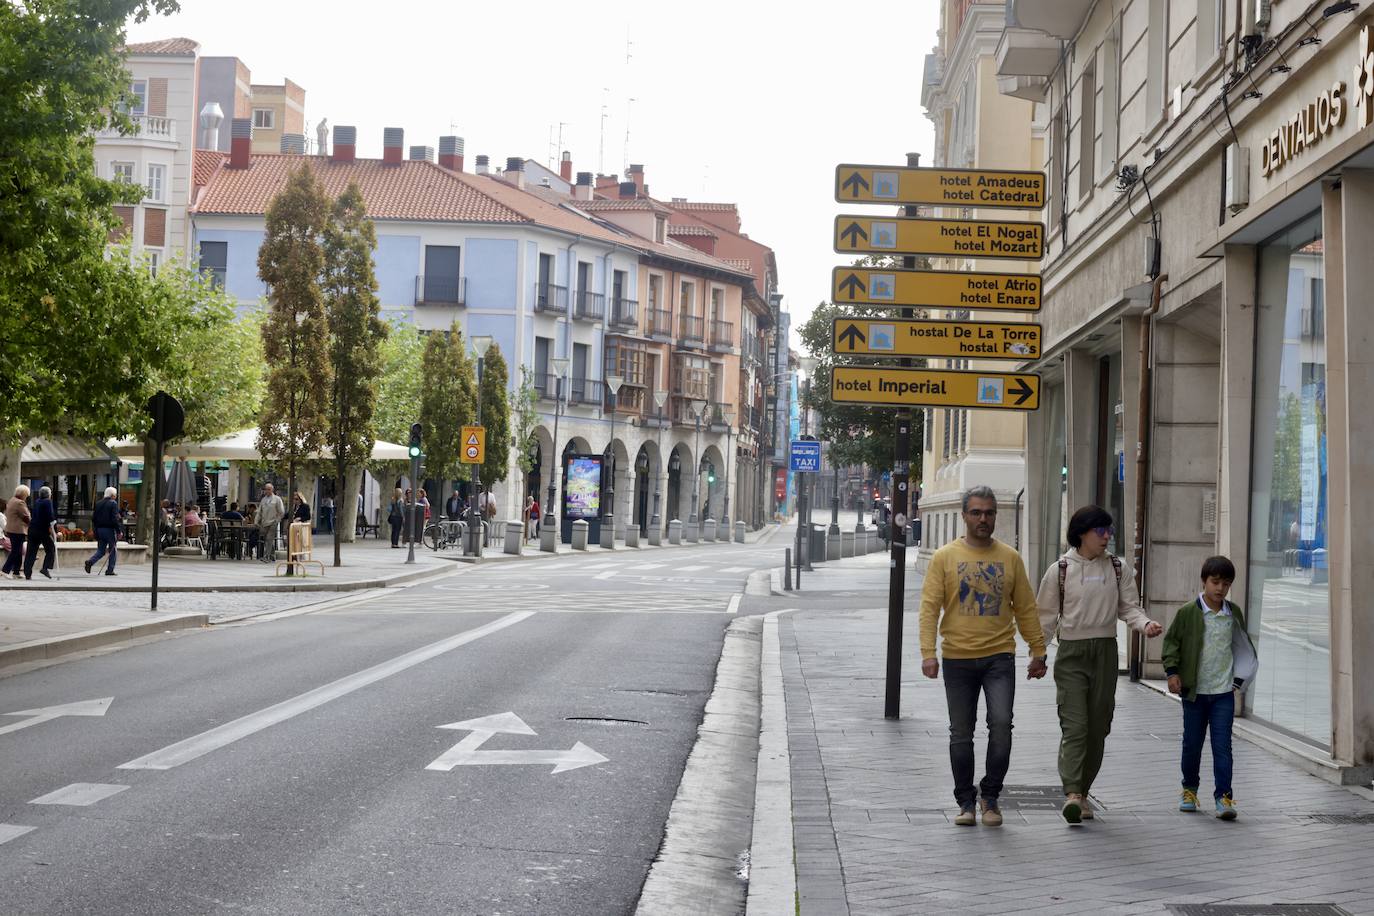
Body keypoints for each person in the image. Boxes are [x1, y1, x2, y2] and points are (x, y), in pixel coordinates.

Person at [918, 485, 1047, 827]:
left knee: (1002, 726)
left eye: (989, 512)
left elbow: (1026, 608)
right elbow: (929, 608)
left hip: (999, 657)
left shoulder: (1011, 558)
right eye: (976, 512)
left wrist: (1038, 650)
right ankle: (965, 803)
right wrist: (927, 653)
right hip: (957, 658)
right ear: (964, 516)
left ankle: (990, 797)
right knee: (961, 732)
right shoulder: (945, 557)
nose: (983, 519)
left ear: (995, 516)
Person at [1036, 505, 1164, 823]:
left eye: (1109, 531)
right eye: (1100, 531)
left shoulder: (1118, 568)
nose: (1107, 537)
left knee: (1098, 727)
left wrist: (1145, 624)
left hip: (1105, 652)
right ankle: (1073, 795)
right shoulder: (1060, 569)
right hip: (1072, 655)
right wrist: (1037, 654)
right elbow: (1046, 617)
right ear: (1082, 533)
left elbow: (1129, 608)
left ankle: (1083, 790)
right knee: (1076, 725)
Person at [1162, 555, 1258, 821]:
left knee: (1222, 746)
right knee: (1192, 744)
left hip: (1223, 694)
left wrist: (1237, 682)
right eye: (1215, 582)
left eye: (1226, 584)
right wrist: (1172, 673)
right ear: (1204, 581)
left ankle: (1224, 798)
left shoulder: (1232, 613)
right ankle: (1189, 791)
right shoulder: (1188, 613)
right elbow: (1172, 644)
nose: (1220, 588)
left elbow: (1242, 647)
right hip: (1194, 693)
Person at [85, 486, 122, 576]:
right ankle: (110, 570)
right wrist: (118, 531)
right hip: (109, 530)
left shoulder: (98, 503)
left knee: (101, 550)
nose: (116, 497)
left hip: (99, 530)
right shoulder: (113, 503)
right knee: (112, 550)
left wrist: (96, 529)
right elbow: (114, 519)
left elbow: (94, 518)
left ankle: (90, 562)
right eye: (115, 495)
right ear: (112, 495)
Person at [23, 485, 58, 580]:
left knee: (31, 552)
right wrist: (55, 530)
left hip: (33, 529)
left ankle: (27, 572)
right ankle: (45, 568)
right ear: (49, 495)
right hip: (42, 530)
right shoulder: (48, 502)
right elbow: (50, 517)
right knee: (50, 549)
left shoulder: (37, 501)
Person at [2, 485, 32, 580]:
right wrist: (31, 523)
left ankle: (16, 571)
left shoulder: (12, 500)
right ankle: (5, 570)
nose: (26, 497)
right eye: (26, 495)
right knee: (16, 551)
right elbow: (26, 516)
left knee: (18, 551)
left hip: (11, 529)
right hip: (18, 530)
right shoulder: (20, 503)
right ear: (23, 494)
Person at [256, 483, 285, 562]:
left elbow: (281, 512)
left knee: (269, 539)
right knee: (268, 540)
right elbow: (259, 511)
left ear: (272, 490)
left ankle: (266, 557)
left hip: (273, 522)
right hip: (264, 523)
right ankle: (272, 555)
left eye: (269, 489)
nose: (267, 491)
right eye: (266, 489)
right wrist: (256, 521)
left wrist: (277, 520)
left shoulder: (277, 499)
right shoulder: (263, 499)